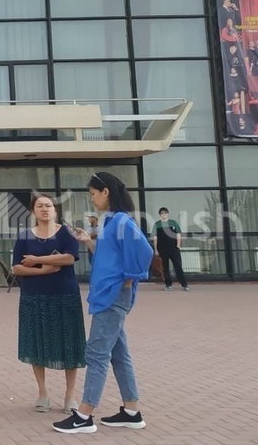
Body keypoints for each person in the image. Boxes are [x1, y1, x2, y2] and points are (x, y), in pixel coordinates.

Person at [53, 172, 153, 434]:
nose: (92, 199)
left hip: (112, 296)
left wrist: (128, 280)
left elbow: (145, 251)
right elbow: (109, 257)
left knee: (96, 353)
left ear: (106, 192)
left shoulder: (121, 221)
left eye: (93, 194)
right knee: (119, 354)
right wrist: (88, 242)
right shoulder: (111, 222)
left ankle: (84, 416)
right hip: (109, 294)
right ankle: (131, 411)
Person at [12, 194, 86, 414]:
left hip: (65, 295)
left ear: (55, 210)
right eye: (40, 206)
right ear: (33, 211)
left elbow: (69, 258)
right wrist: (43, 271)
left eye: (49, 205)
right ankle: (42, 393)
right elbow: (16, 267)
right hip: (33, 297)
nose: (45, 209)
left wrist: (36, 260)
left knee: (69, 344)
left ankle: (70, 396)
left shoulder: (66, 233)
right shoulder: (25, 236)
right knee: (36, 343)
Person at [152, 207, 188, 291]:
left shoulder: (173, 223)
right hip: (162, 248)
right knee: (165, 267)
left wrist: (178, 246)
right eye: (162, 213)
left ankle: (184, 284)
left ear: (168, 214)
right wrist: (156, 249)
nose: (164, 215)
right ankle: (168, 284)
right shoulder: (157, 224)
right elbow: (155, 237)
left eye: (165, 213)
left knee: (178, 266)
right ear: (160, 215)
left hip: (173, 248)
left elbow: (178, 234)